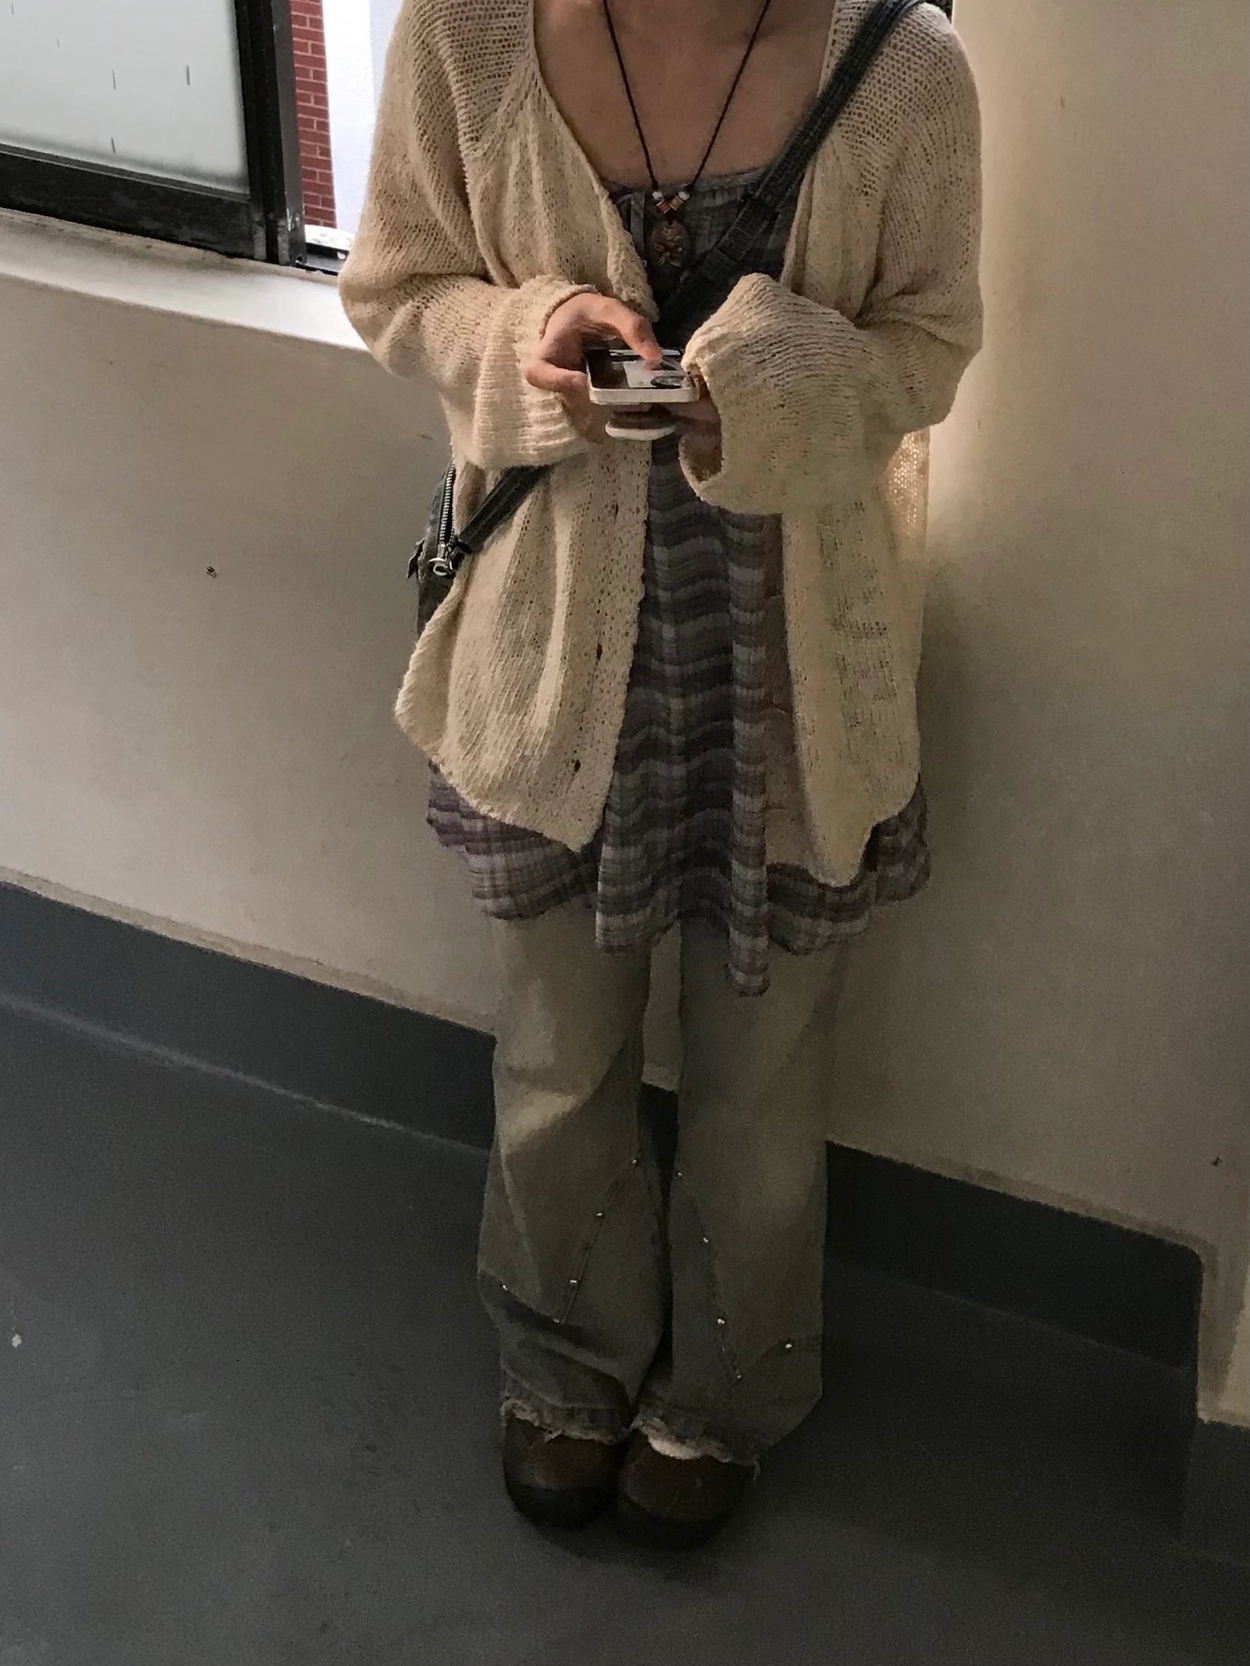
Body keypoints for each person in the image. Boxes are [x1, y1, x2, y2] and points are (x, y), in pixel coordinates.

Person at [341, 0, 982, 1549]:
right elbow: (398, 285)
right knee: (558, 1055)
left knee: (762, 1080)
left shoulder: (904, 68)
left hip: (792, 680)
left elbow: (929, 345)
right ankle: (562, 1361)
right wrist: (531, 331)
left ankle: (728, 1392)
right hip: (551, 662)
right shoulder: (465, 38)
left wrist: (758, 389)